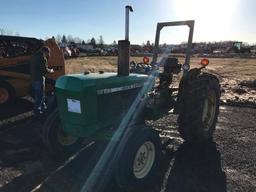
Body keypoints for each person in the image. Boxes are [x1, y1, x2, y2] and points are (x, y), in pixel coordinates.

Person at [30, 46, 54, 115]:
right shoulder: (42, 58)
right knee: (40, 96)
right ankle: (37, 112)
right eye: (47, 53)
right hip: (39, 79)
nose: (47, 55)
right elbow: (45, 70)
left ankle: (43, 107)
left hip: (33, 78)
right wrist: (51, 70)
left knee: (39, 95)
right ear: (45, 52)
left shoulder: (33, 56)